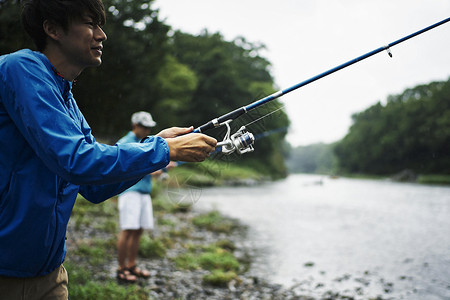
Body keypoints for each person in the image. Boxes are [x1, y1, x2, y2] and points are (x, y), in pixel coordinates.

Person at [0, 0, 216, 299]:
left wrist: (156, 145)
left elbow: (91, 186)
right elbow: (77, 162)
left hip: (50, 273)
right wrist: (163, 149)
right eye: (90, 24)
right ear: (51, 29)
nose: (101, 35)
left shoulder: (66, 98)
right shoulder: (19, 68)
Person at [116, 111, 175, 283]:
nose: (147, 130)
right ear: (135, 125)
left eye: (149, 127)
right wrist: (159, 168)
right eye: (144, 127)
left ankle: (132, 265)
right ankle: (121, 269)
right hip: (130, 193)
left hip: (143, 193)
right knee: (127, 229)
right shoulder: (125, 143)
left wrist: (162, 167)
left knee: (139, 229)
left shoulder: (144, 143)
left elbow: (148, 168)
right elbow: (129, 167)